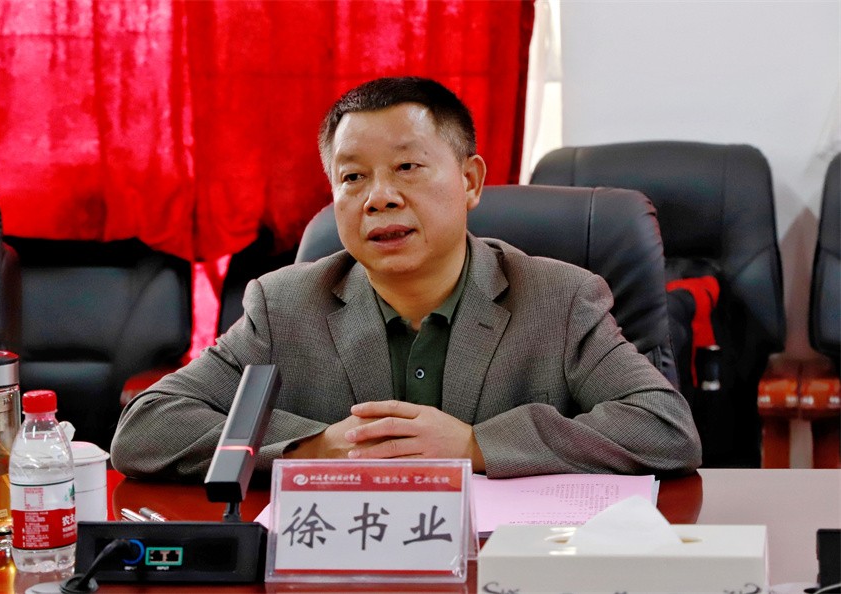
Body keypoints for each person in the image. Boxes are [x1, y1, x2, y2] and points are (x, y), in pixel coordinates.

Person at [110, 76, 701, 480]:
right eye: (353, 178)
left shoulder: (559, 298)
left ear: (470, 181)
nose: (379, 197)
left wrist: (476, 446)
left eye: (407, 167)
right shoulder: (284, 304)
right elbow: (146, 428)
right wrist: (317, 448)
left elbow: (664, 427)